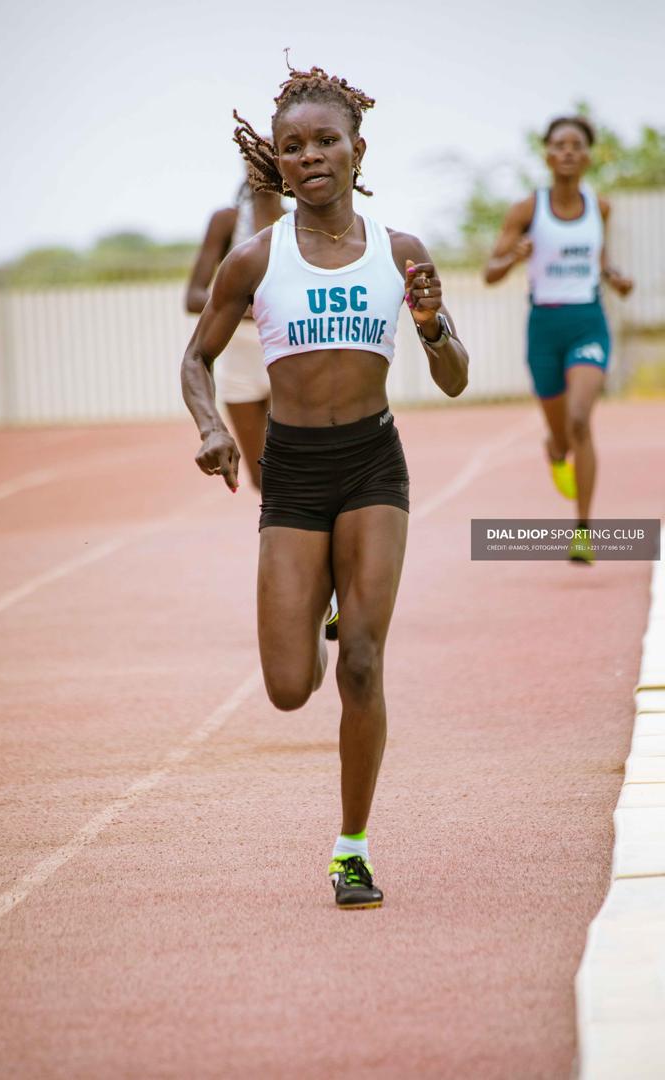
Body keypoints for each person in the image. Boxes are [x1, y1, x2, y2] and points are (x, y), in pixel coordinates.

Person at [181, 60, 468, 908]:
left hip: (374, 465)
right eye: (291, 146)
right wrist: (209, 427)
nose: (309, 156)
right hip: (296, 476)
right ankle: (319, 608)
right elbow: (197, 359)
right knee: (288, 688)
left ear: (356, 149)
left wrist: (430, 323)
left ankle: (352, 848)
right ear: (276, 160)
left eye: (324, 141)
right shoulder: (253, 262)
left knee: (364, 667)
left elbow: (452, 376)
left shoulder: (401, 252)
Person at [484, 116, 633, 563]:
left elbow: (598, 255)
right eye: (559, 145)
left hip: (588, 322)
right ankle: (555, 450)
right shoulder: (527, 210)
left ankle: (583, 531)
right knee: (562, 436)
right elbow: (489, 273)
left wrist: (613, 275)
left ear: (587, 156)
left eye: (576, 145)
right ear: (547, 155)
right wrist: (514, 256)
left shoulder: (600, 207)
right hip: (543, 327)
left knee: (581, 418)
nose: (567, 151)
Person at [185, 177, 283, 488]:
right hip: (239, 358)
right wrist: (248, 305)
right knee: (261, 476)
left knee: (299, 464)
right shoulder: (228, 221)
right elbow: (193, 298)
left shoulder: (298, 222)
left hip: (284, 354)